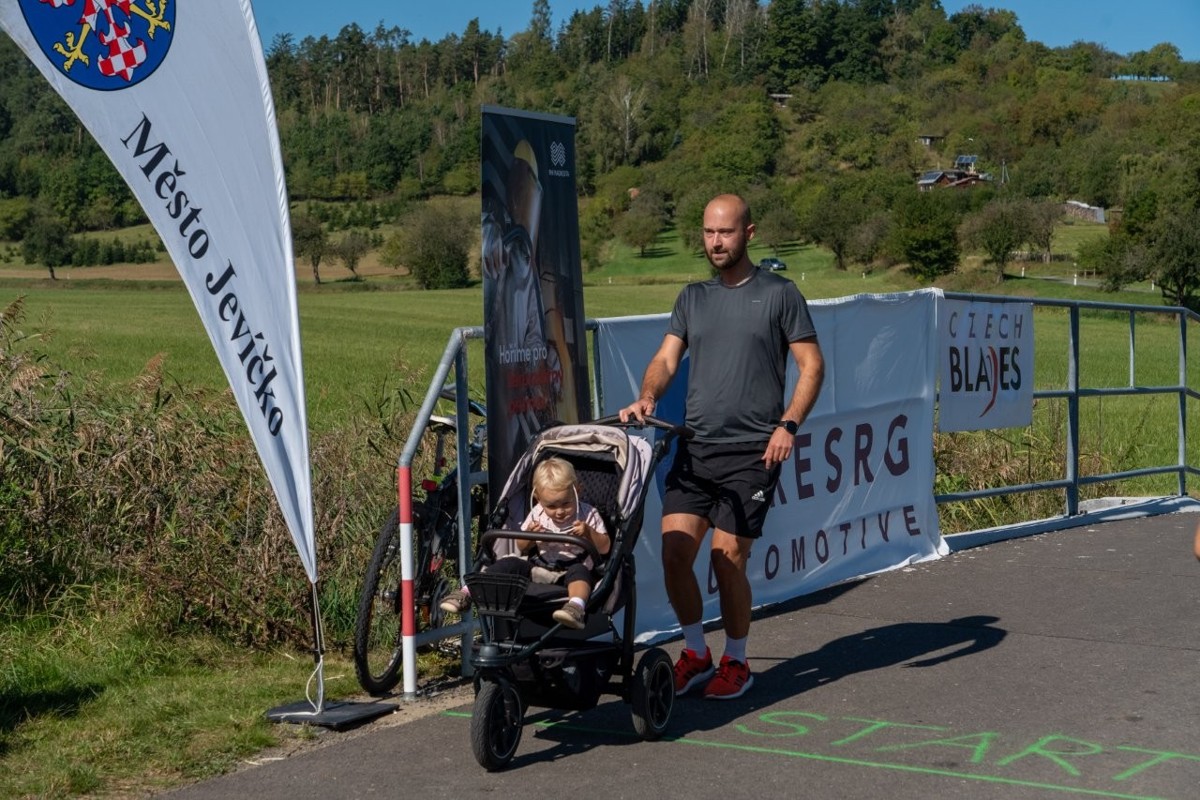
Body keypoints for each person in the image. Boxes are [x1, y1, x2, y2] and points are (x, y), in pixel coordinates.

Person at [619, 193, 824, 700]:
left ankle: (736, 660)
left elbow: (812, 366)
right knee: (674, 553)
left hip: (753, 452)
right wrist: (648, 395)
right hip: (695, 448)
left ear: (748, 234)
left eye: (726, 232)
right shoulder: (693, 298)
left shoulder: (780, 294)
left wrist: (788, 425)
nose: (716, 242)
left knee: (726, 556)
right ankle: (696, 652)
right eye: (709, 232)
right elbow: (666, 360)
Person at [440, 457, 609, 630]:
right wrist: (530, 536)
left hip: (571, 572)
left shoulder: (588, 514)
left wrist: (589, 532)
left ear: (578, 491)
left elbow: (605, 548)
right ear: (537, 498)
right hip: (540, 567)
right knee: (509, 562)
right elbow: (522, 547)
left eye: (566, 503)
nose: (559, 511)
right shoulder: (537, 514)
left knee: (580, 572)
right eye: (551, 506)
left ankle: (575, 608)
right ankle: (468, 592)